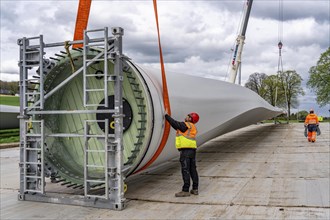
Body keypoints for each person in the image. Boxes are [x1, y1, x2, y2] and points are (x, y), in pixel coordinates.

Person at [165, 112, 200, 197]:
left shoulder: (186, 125)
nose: (186, 117)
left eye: (188, 116)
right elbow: (176, 126)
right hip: (192, 150)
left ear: (190, 119)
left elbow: (175, 123)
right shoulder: (191, 127)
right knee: (192, 170)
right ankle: (195, 189)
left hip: (186, 151)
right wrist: (169, 120)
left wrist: (166, 116)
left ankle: (185, 190)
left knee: (185, 170)